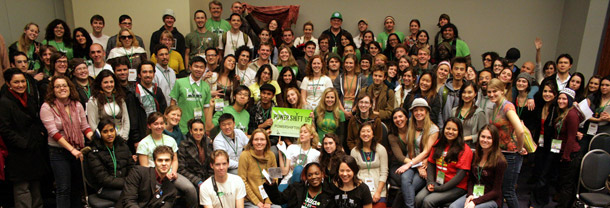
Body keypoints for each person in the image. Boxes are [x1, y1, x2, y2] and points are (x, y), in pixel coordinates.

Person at [40, 75, 94, 207]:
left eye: (64, 85)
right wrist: (72, 149)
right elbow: (53, 133)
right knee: (63, 188)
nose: (61, 88)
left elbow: (85, 127)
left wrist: (96, 140)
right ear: (52, 90)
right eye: (57, 86)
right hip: (58, 152)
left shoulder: (77, 104)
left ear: (70, 87)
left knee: (77, 188)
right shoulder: (47, 107)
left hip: (78, 151)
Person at [0, 68, 47, 208]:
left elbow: (36, 120)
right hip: (17, 152)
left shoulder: (30, 98)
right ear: (8, 84)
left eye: (22, 81)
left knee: (35, 186)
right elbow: (4, 129)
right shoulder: (4, 102)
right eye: (16, 82)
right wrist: (23, 143)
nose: (20, 85)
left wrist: (40, 136)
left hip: (34, 149)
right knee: (22, 188)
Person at [137, 112, 198, 208]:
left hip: (171, 174)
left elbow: (175, 160)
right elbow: (144, 167)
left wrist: (173, 172)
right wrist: (161, 175)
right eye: (156, 124)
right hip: (153, 177)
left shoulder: (170, 140)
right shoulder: (143, 143)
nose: (159, 126)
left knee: (190, 189)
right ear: (149, 126)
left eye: (161, 123)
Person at [415, 117, 473, 208]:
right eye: (448, 128)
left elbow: (460, 176)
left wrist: (440, 188)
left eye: (454, 130)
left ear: (459, 132)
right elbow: (431, 163)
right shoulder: (439, 144)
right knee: (418, 198)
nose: (450, 132)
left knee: (428, 201)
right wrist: (430, 182)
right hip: (438, 182)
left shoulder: (465, 150)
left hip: (456, 187)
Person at [392, 100, 440, 208]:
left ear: (426, 111)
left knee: (408, 188)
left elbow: (426, 151)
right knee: (404, 178)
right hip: (415, 163)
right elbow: (410, 149)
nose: (418, 113)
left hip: (426, 165)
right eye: (416, 110)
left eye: (421, 110)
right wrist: (416, 166)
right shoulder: (411, 125)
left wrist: (411, 164)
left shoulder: (433, 129)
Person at [486, 78, 525, 208]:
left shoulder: (507, 106)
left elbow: (520, 131)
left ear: (502, 91)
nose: (491, 94)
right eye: (489, 92)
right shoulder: (496, 106)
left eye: (495, 91)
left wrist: (519, 148)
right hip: (501, 153)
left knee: (508, 192)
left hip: (511, 154)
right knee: (501, 190)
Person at [448, 124, 507, 208]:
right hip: (475, 194)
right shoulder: (475, 155)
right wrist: (470, 195)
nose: (485, 140)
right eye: (483, 137)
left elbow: (496, 191)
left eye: (489, 138)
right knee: (453, 207)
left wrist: (475, 202)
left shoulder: (500, 161)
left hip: (491, 199)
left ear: (495, 140)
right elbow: (471, 180)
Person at [87, 118, 135, 203]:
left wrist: (131, 181)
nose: (109, 134)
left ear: (116, 131)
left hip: (126, 184)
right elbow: (104, 179)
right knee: (127, 197)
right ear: (99, 134)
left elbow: (132, 167)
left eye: (111, 130)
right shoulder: (94, 153)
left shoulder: (123, 146)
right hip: (104, 188)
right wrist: (127, 182)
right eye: (105, 132)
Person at [554, 88, 585, 208]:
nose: (560, 101)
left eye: (564, 99)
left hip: (571, 155)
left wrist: (566, 156)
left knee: (567, 184)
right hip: (565, 152)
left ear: (570, 100)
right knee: (564, 182)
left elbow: (571, 138)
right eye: (559, 98)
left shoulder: (571, 114)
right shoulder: (564, 112)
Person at [169, 56, 214, 134]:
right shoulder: (180, 82)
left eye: (201, 67)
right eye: (196, 66)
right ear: (190, 67)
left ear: (204, 70)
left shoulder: (206, 86)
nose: (198, 69)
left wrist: (206, 128)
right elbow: (173, 103)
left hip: (199, 129)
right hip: (182, 127)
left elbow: (206, 108)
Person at [237, 129, 280, 208]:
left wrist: (268, 201)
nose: (259, 142)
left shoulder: (271, 155)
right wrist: (256, 202)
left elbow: (275, 178)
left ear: (267, 141)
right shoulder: (244, 155)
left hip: (268, 198)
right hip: (250, 200)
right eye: (256, 139)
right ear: (252, 142)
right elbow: (242, 181)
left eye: (262, 139)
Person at [350, 123, 389, 207]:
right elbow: (353, 173)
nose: (365, 134)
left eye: (368, 131)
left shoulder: (381, 149)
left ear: (373, 134)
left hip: (379, 190)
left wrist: (378, 192)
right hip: (360, 190)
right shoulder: (354, 151)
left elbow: (384, 172)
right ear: (359, 134)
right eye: (363, 131)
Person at [264, 162, 335, 208]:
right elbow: (278, 199)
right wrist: (271, 185)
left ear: (322, 174)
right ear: (306, 177)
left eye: (317, 174)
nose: (313, 177)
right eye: (310, 175)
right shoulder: (296, 188)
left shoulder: (329, 194)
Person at [87, 70, 130, 139]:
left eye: (111, 82)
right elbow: (92, 124)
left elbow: (126, 120)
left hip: (121, 138)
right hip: (104, 140)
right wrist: (103, 138)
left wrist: (124, 137)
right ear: (100, 84)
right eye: (105, 82)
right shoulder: (93, 101)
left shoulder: (120, 98)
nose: (109, 85)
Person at [178, 119, 213, 188]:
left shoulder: (208, 143)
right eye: (195, 130)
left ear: (204, 131)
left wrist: (210, 179)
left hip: (207, 177)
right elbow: (181, 168)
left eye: (201, 130)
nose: (198, 133)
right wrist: (197, 181)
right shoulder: (184, 145)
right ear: (191, 131)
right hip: (192, 179)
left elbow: (211, 164)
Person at [452, 81, 486, 147]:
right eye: (464, 92)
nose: (466, 95)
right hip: (455, 146)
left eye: (470, 92)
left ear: (475, 94)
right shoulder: (454, 111)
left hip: (471, 147)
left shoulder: (479, 113)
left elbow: (482, 133)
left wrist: (466, 138)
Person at [334, 54, 365, 118]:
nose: (348, 65)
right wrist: (343, 111)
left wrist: (353, 110)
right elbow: (336, 95)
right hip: (341, 109)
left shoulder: (361, 78)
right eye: (346, 63)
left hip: (357, 109)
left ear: (355, 64)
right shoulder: (340, 78)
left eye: (351, 63)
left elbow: (363, 96)